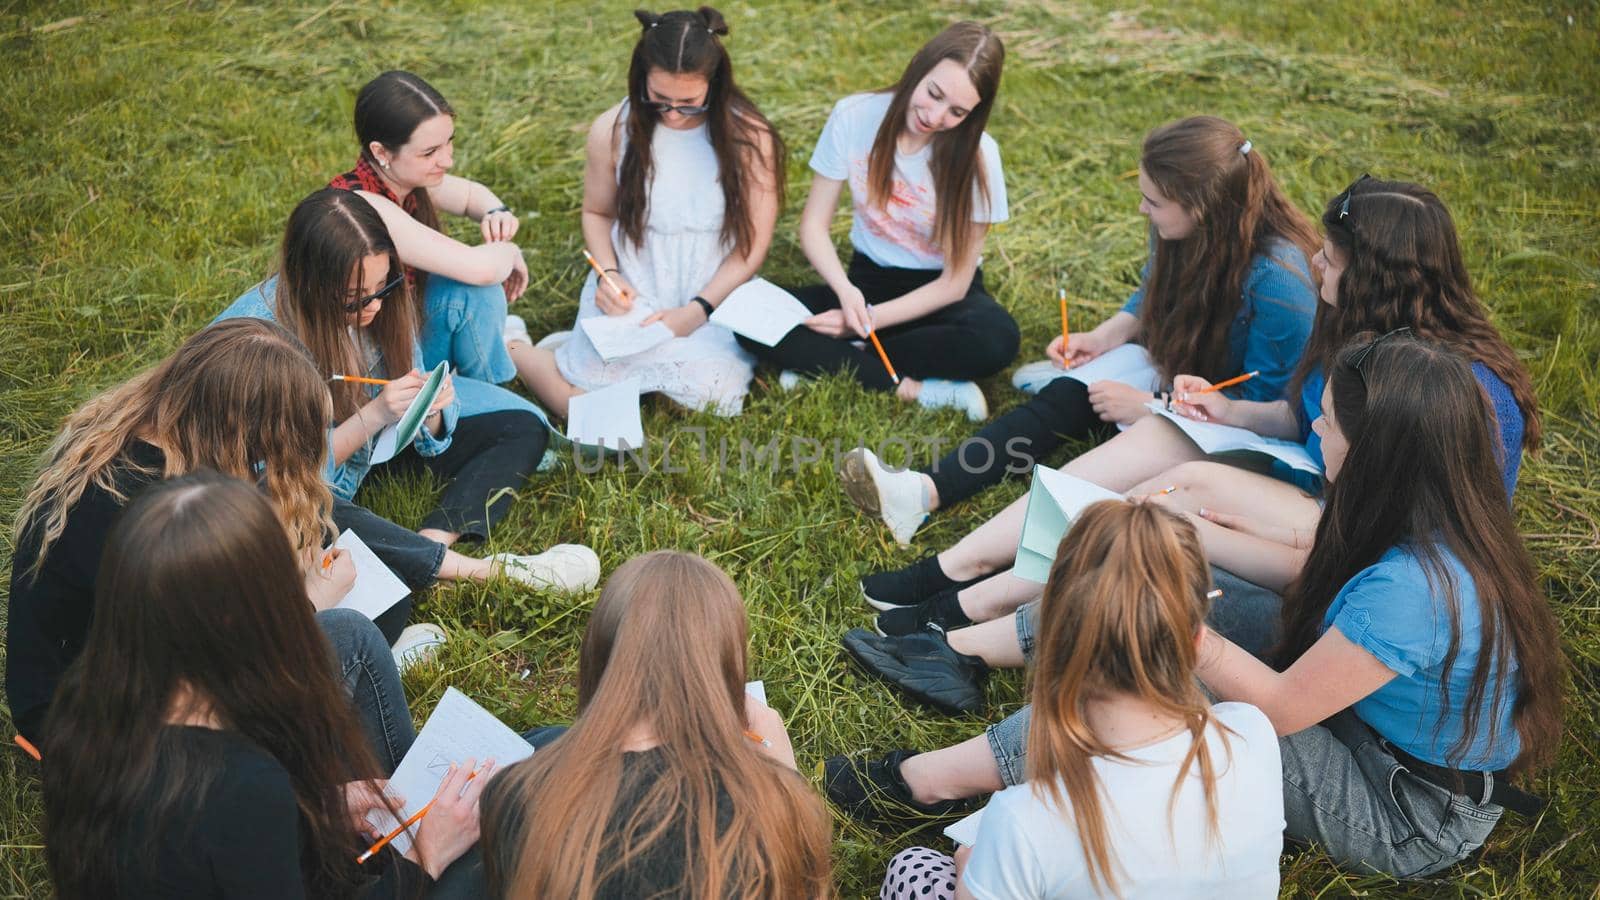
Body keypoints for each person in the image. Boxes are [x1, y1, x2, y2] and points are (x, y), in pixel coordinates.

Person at [832, 334, 1563, 881]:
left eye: (1330, 425)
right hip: (1366, 727)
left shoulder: (1415, 591)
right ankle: (960, 651)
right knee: (1187, 596)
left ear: (1378, 453)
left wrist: (1178, 626)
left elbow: (1275, 710)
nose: (1314, 432)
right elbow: (1296, 580)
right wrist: (1186, 543)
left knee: (1153, 673)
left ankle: (932, 779)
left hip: (1404, 808)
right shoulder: (1435, 515)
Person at [855, 177, 1539, 639]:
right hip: (1309, 467)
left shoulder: (1447, 386)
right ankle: (960, 567)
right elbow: (1299, 420)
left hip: (1362, 528)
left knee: (1161, 494)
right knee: (1143, 447)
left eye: (1329, 259)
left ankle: (983, 608)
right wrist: (1226, 413)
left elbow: (1421, 534)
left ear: (1377, 274)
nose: (1316, 266)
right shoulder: (1354, 323)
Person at [840, 115, 1318, 543]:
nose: (1141, 210)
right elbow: (1151, 295)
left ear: (1203, 208)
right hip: (1181, 372)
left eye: (1153, 201)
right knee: (1067, 397)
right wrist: (1103, 338)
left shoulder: (1278, 279)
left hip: (1237, 423)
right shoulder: (1179, 227)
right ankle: (924, 490)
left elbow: (1273, 407)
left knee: (1105, 456)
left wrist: (1158, 406)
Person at [41, 473, 487, 898]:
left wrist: (314, 809)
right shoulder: (244, 786)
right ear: (244, 618)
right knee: (507, 810)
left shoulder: (82, 702)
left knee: (350, 635)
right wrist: (425, 858)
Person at [878, 501, 1283, 899]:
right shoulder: (1251, 731)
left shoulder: (1024, 821)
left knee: (912, 869)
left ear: (1050, 640)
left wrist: (970, 869)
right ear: (1197, 641)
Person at [216, 189, 597, 593]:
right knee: (318, 527)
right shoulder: (259, 343)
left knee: (522, 426)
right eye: (354, 300)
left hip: (376, 451)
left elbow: (424, 422)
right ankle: (481, 571)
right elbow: (276, 484)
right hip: (308, 484)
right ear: (309, 284)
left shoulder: (383, 304)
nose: (375, 307)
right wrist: (373, 416)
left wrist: (430, 411)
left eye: (384, 286)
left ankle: (433, 543)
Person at [480, 551, 832, 898]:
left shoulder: (519, 792)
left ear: (599, 657)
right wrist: (784, 776)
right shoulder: (782, 810)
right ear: (726, 669)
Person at [736, 21, 1018, 420]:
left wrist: (865, 325)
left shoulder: (981, 157)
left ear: (974, 112)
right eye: (933, 94)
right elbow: (813, 226)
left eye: (956, 111)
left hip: (939, 295)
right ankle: (911, 386)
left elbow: (955, 284)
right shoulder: (853, 116)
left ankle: (837, 363)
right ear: (918, 69)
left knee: (997, 340)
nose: (935, 116)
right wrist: (848, 295)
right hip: (865, 282)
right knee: (747, 317)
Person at [515, 7, 784, 418]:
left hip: (711, 288)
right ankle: (513, 346)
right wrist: (610, 274)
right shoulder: (614, 129)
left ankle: (577, 351)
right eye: (659, 101)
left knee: (710, 404)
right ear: (641, 79)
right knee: (588, 410)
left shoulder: (749, 137)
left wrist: (696, 312)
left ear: (715, 84)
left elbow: (752, 244)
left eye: (689, 103)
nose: (674, 115)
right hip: (637, 282)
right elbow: (597, 213)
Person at [330, 69, 538, 414]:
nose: (448, 160)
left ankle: (489, 396)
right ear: (381, 151)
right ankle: (487, 406)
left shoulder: (400, 178)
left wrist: (494, 210)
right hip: (368, 366)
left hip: (400, 328)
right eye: (430, 153)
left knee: (477, 296)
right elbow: (482, 269)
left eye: (449, 142)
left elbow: (470, 194)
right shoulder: (364, 207)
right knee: (478, 289)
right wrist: (509, 250)